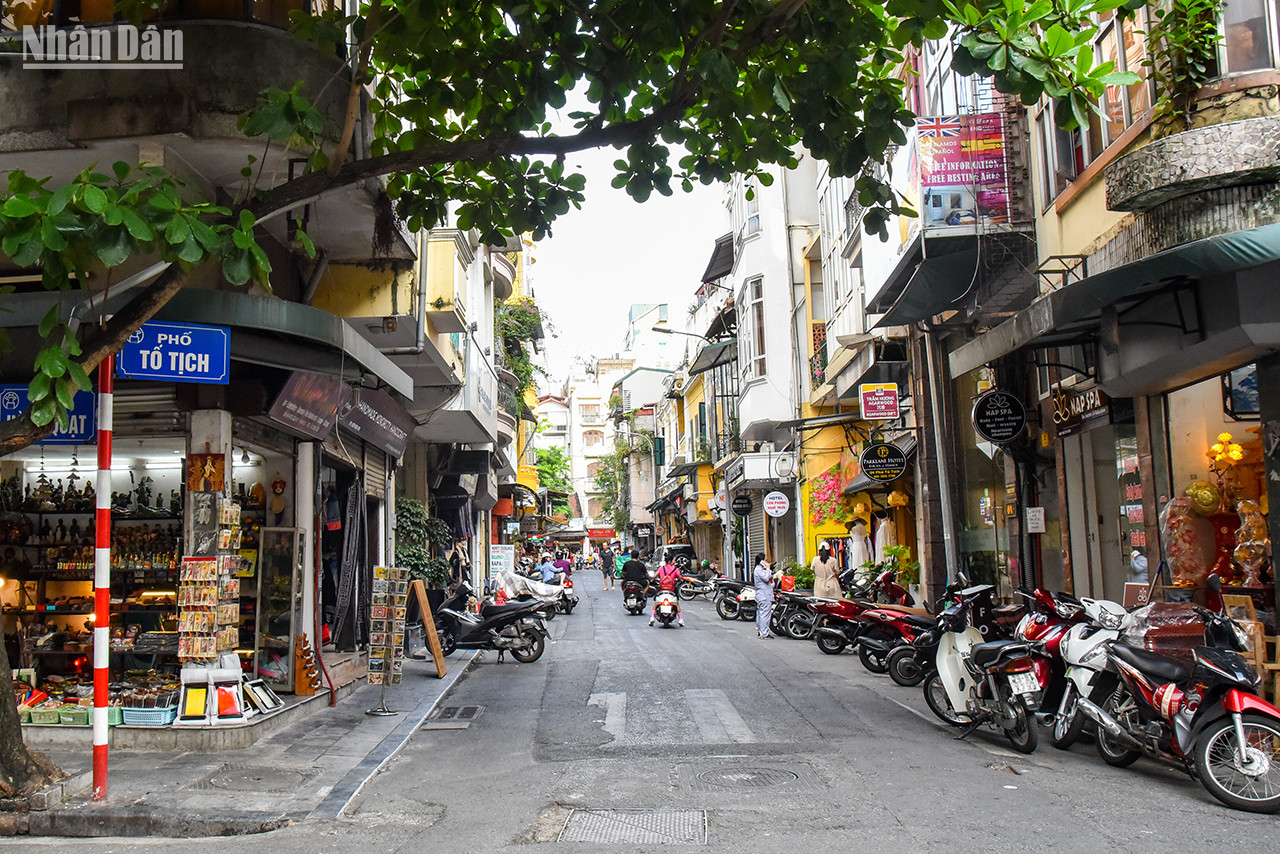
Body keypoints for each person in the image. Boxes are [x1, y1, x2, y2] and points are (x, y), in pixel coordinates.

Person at [650, 550, 686, 627]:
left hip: (662, 589)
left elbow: (654, 577)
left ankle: (652, 618)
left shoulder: (661, 568)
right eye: (674, 560)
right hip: (671, 589)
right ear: (670, 561)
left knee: (656, 602)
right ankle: (680, 620)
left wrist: (655, 580)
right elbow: (679, 577)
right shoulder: (675, 569)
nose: (674, 562)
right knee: (677, 603)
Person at [753, 552, 777, 638]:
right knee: (765, 615)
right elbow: (766, 578)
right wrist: (768, 569)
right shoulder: (759, 570)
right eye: (765, 560)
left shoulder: (760, 569)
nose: (767, 562)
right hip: (764, 595)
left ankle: (761, 631)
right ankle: (764, 633)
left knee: (761, 614)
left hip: (762, 595)